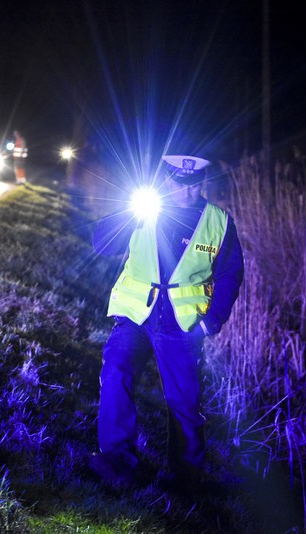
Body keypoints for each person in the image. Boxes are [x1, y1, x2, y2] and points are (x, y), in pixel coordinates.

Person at [90, 154, 244, 489]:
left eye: (193, 184)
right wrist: (127, 212)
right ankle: (117, 461)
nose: (185, 192)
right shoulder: (144, 208)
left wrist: (210, 323)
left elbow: (231, 275)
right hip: (136, 315)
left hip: (182, 324)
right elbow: (101, 244)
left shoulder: (218, 222)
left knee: (184, 400)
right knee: (116, 372)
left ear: (203, 182)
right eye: (178, 182)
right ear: (167, 179)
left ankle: (185, 477)